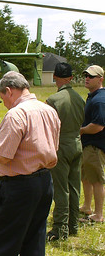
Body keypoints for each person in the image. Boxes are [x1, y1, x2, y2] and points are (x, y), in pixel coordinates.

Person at [0, 71, 60, 256]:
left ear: (9, 91)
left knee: (2, 245)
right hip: (44, 182)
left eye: (2, 97)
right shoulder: (48, 110)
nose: (4, 102)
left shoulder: (16, 114)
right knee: (34, 241)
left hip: (18, 187)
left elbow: (4, 157)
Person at [45, 63, 85, 241]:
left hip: (61, 145)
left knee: (61, 189)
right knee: (75, 187)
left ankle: (60, 229)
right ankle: (73, 224)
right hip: (77, 144)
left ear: (55, 77)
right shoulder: (79, 98)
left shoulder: (53, 100)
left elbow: (48, 127)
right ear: (70, 77)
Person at [79, 65, 105, 223]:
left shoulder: (100, 100)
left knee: (97, 180)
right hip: (88, 146)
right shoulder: (93, 96)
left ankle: (98, 215)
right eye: (86, 75)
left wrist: (80, 130)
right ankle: (87, 206)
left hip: (95, 147)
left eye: (91, 76)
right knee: (86, 177)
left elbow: (98, 126)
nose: (87, 78)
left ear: (100, 79)